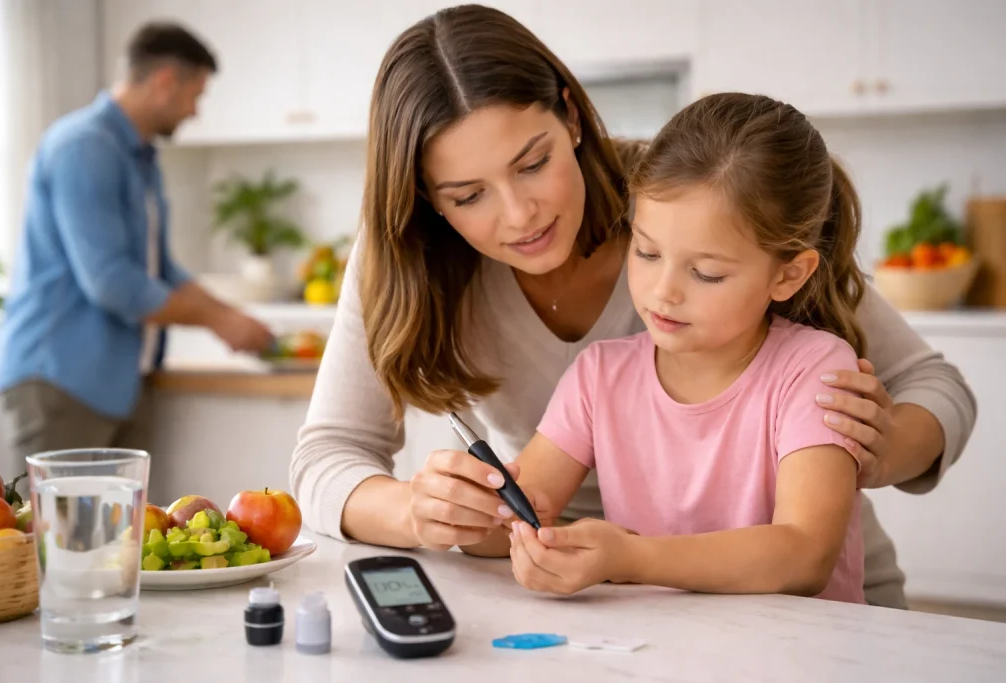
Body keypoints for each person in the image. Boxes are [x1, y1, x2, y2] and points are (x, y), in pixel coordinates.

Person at [289, 5, 976, 609]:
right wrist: (433, 511)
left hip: (812, 614)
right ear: (425, 199)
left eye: (533, 163)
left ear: (571, 115)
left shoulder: (688, 193)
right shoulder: (570, 354)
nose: (520, 213)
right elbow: (332, 456)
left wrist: (874, 452)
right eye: (468, 195)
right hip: (626, 602)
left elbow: (924, 394)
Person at [492, 92, 867, 602]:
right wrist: (468, 510)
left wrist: (631, 559)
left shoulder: (815, 370)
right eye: (647, 252)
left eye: (706, 273)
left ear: (788, 275)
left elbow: (805, 555)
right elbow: (513, 518)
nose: (663, 291)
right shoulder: (598, 376)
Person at [0, 22, 274, 461]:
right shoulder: (84, 146)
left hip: (112, 383)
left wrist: (230, 316)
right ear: (165, 82)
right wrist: (218, 320)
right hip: (61, 380)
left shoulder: (139, 156)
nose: (195, 112)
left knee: (126, 512)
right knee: (53, 511)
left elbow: (159, 268)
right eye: (195, 95)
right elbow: (111, 281)